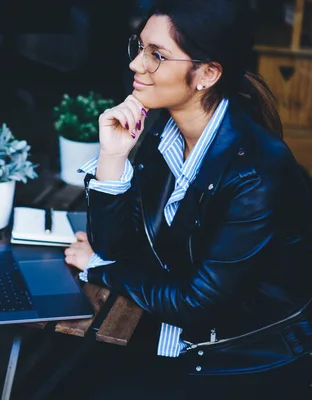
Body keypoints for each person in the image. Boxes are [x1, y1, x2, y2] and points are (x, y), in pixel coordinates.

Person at [63, 0, 312, 398]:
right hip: (175, 333)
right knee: (64, 372)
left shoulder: (256, 172)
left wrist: (98, 268)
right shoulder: (161, 128)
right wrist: (113, 156)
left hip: (241, 358)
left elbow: (196, 303)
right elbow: (115, 246)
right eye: (140, 47)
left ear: (207, 74)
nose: (136, 65)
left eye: (157, 55)